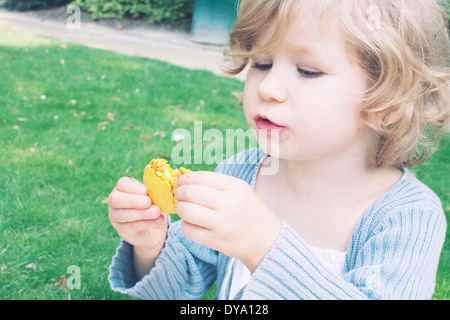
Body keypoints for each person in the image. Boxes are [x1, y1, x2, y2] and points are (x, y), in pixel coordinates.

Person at [107, 0, 449, 299]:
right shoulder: (240, 173)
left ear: (389, 102)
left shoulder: (407, 218)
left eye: (307, 71)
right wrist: (150, 243)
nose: (268, 87)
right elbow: (178, 287)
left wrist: (265, 248)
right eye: (262, 63)